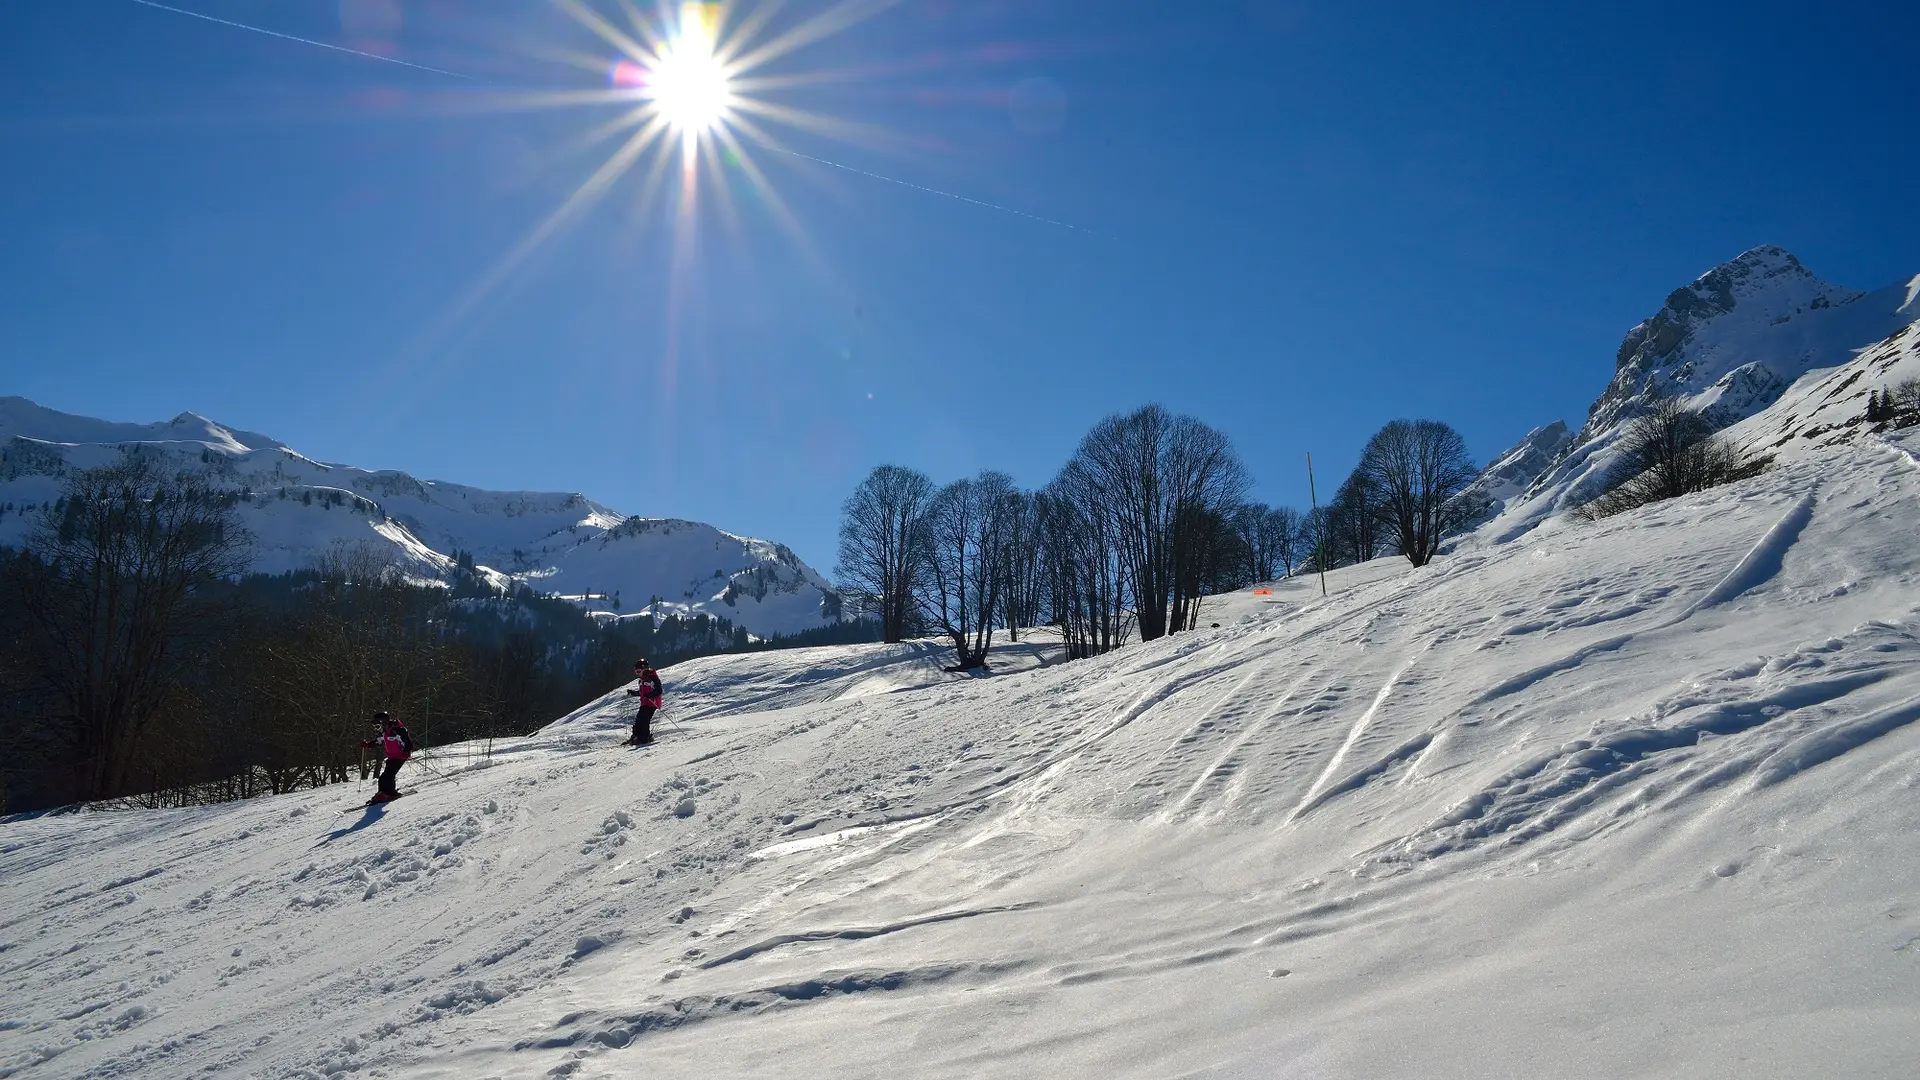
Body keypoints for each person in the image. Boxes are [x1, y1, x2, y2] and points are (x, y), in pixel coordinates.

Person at [360, 711, 414, 802]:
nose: (376, 729)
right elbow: (379, 742)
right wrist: (368, 744)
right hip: (391, 757)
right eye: (375, 726)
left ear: (383, 723)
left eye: (377, 726)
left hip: (400, 756)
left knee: (388, 775)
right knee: (383, 777)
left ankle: (390, 793)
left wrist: (406, 751)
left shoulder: (397, 730)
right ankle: (382, 793)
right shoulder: (383, 733)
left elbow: (408, 743)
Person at [624, 658, 664, 745]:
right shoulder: (642, 680)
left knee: (644, 720)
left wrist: (650, 695)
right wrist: (633, 693)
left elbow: (659, 690)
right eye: (636, 672)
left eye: (638, 671)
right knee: (638, 720)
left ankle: (644, 738)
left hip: (652, 703)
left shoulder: (652, 677)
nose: (637, 673)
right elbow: (642, 693)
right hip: (645, 703)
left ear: (644, 668)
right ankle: (635, 737)